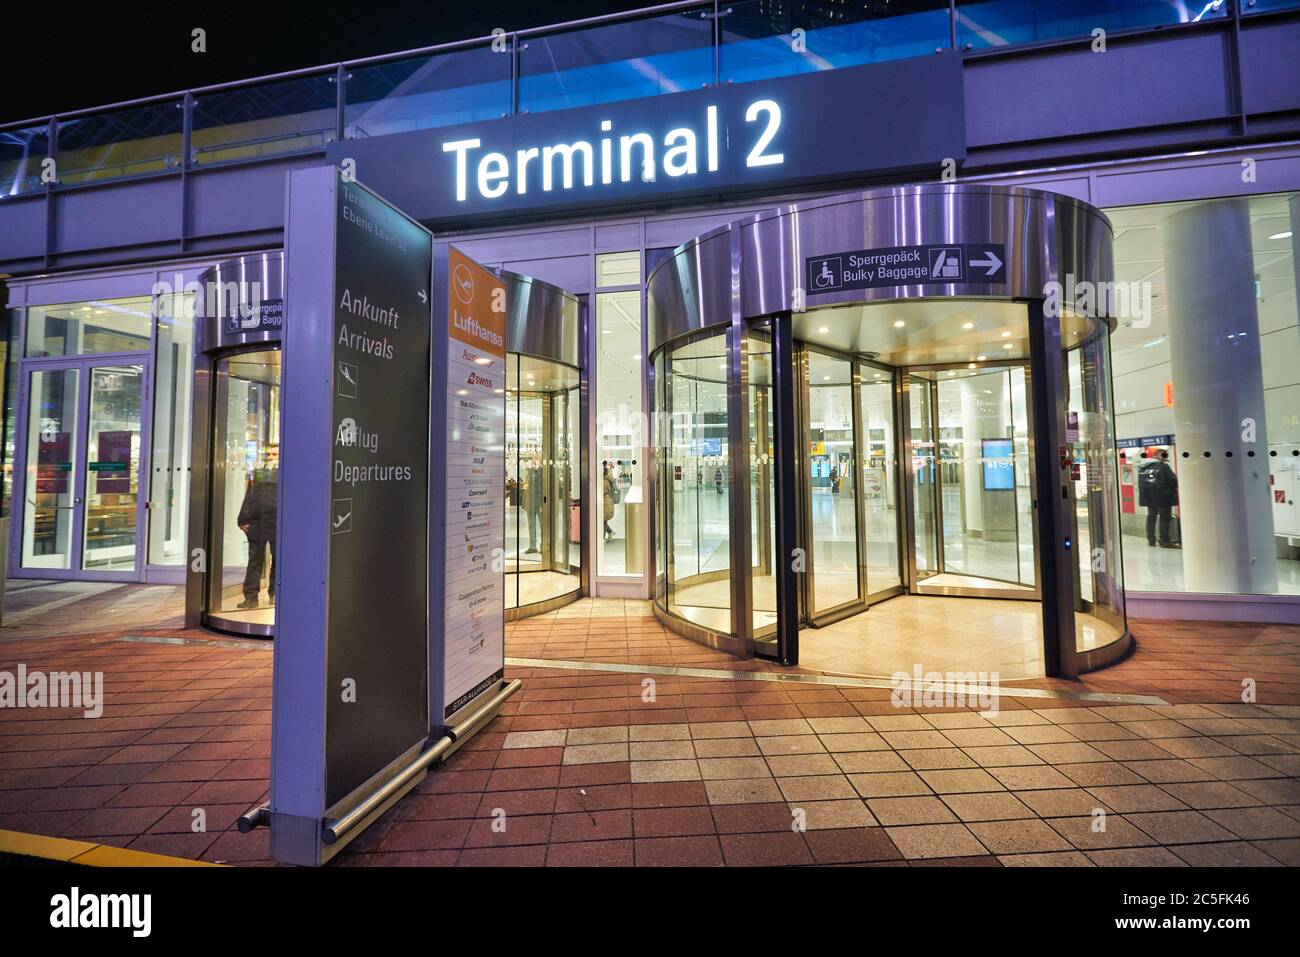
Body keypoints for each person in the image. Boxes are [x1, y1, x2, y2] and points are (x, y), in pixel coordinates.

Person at [237, 465, 278, 609]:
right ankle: (270, 595)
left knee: (257, 561)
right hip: (270, 523)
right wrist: (242, 520)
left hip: (263, 522)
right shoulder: (282, 475)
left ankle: (253, 597)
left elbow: (249, 498)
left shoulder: (258, 478)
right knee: (272, 560)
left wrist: (242, 520)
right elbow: (250, 497)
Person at [1137, 449, 1179, 548]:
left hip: (1149, 498)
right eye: (1164, 455)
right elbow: (1173, 481)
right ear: (1159, 456)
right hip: (1162, 497)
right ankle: (1164, 541)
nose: (1166, 457)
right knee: (1164, 519)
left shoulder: (1143, 467)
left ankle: (1151, 540)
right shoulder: (1163, 467)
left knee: (1151, 518)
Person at [523, 455, 544, 555]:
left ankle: (543, 545)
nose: (535, 461)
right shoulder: (530, 472)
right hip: (530, 502)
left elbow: (545, 489)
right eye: (534, 460)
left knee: (542, 525)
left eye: (537, 460)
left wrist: (543, 505)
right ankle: (532, 546)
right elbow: (527, 485)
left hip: (540, 503)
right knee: (531, 525)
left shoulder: (543, 472)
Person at [602, 462, 619, 541]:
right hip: (606, 501)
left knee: (603, 520)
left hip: (605, 502)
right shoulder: (607, 479)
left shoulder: (604, 481)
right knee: (603, 520)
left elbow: (602, 491)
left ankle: (602, 538)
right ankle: (610, 532)